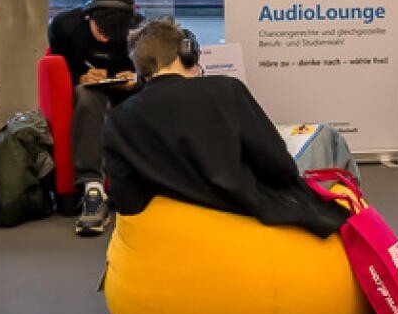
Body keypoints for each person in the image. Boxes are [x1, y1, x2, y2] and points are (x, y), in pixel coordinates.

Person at [101, 17, 348, 237]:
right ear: (187, 54)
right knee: (326, 137)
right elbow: (278, 165)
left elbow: (127, 200)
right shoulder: (226, 89)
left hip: (176, 235)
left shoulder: (118, 119)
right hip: (249, 213)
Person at [47, 0, 143, 235]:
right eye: (101, 31)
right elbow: (60, 69)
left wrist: (136, 78)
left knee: (152, 97)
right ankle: (93, 189)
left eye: (114, 34)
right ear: (89, 17)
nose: (106, 39)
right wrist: (80, 77)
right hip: (88, 93)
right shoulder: (64, 27)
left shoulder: (140, 31)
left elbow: (155, 71)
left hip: (127, 92)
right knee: (87, 97)